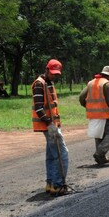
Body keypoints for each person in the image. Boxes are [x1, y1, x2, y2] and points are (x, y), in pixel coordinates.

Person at [31, 59, 69, 196]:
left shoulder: (49, 82)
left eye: (57, 74)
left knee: (52, 154)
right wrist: (50, 124)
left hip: (51, 124)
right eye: (53, 73)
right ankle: (58, 184)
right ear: (46, 70)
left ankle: (51, 184)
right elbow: (39, 107)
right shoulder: (39, 84)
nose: (55, 76)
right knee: (62, 153)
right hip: (48, 125)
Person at [79, 66, 109, 165]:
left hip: (93, 114)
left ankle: (101, 158)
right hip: (104, 113)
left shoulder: (91, 83)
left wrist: (89, 106)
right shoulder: (107, 84)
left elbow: (81, 98)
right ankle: (100, 153)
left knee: (99, 134)